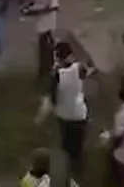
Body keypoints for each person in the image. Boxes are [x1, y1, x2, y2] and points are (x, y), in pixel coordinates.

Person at [48, 41, 90, 186]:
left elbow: (53, 98)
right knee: (79, 146)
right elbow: (86, 72)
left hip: (64, 115)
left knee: (68, 147)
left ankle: (69, 177)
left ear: (57, 57)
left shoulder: (56, 75)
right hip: (80, 113)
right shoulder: (79, 68)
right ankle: (78, 175)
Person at [23, 0, 59, 81]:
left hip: (47, 19)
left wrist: (33, 12)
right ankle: (46, 70)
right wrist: (28, 6)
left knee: (46, 45)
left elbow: (53, 6)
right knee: (43, 45)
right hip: (40, 19)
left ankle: (46, 71)